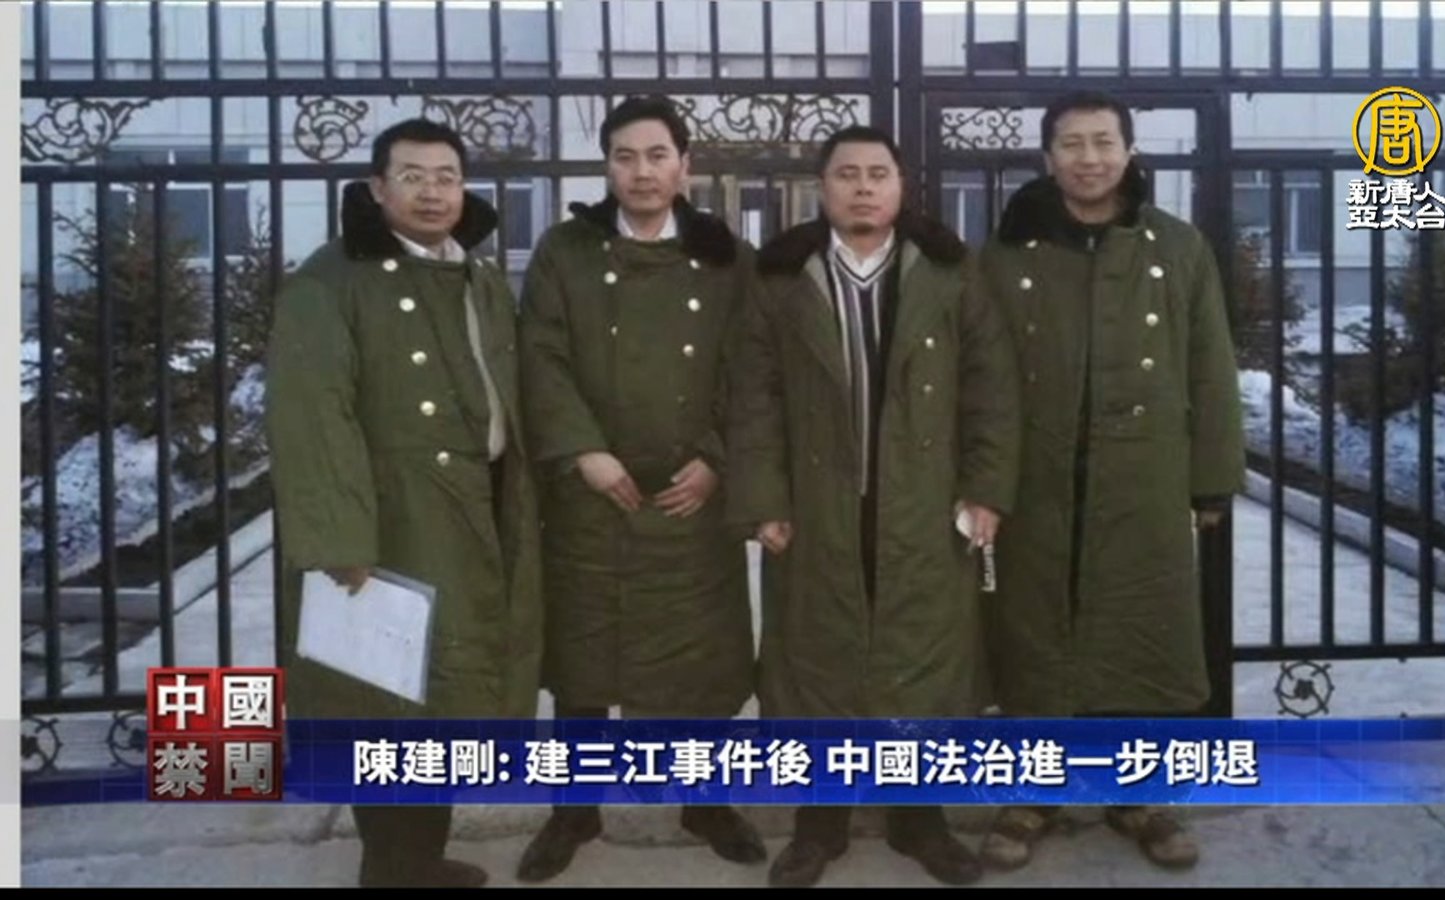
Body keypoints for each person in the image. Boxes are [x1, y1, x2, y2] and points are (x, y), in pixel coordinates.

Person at [726, 125, 1022, 888]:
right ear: (822, 188)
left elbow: (991, 388)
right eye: (847, 174)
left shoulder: (949, 273)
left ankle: (918, 822)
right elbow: (753, 395)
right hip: (817, 504)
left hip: (923, 503)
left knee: (920, 659)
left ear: (901, 187)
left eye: (878, 173)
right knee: (815, 660)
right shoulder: (782, 277)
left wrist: (986, 488)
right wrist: (763, 498)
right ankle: (818, 827)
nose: (863, 187)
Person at [265, 118, 544, 888]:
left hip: (477, 507)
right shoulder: (332, 280)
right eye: (412, 176)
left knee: (445, 698)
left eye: (446, 176)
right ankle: (389, 868)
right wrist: (339, 541)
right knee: (382, 698)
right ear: (378, 187)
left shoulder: (478, 276)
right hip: (390, 521)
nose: (432, 192)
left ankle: (418, 858)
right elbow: (312, 415)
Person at [975, 90, 1246, 873]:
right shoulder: (1009, 254)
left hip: (1143, 475)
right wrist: (981, 480)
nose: (1088, 158)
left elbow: (1210, 364)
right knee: (1036, 631)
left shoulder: (1178, 248)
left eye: (1102, 142)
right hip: (1039, 476)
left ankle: (1140, 795)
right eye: (1071, 143)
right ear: (1047, 156)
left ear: (1128, 151)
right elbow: (980, 375)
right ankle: (1032, 791)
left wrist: (1211, 482)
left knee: (1140, 630)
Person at [514, 95, 766, 882]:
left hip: (691, 499)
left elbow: (752, 368)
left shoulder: (725, 256)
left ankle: (705, 800)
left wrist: (717, 459)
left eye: (658, 156)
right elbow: (541, 355)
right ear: (608, 166)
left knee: (699, 662)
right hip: (594, 495)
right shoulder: (566, 251)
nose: (642, 172)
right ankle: (573, 810)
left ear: (685, 165)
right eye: (625, 157)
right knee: (585, 661)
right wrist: (583, 450)